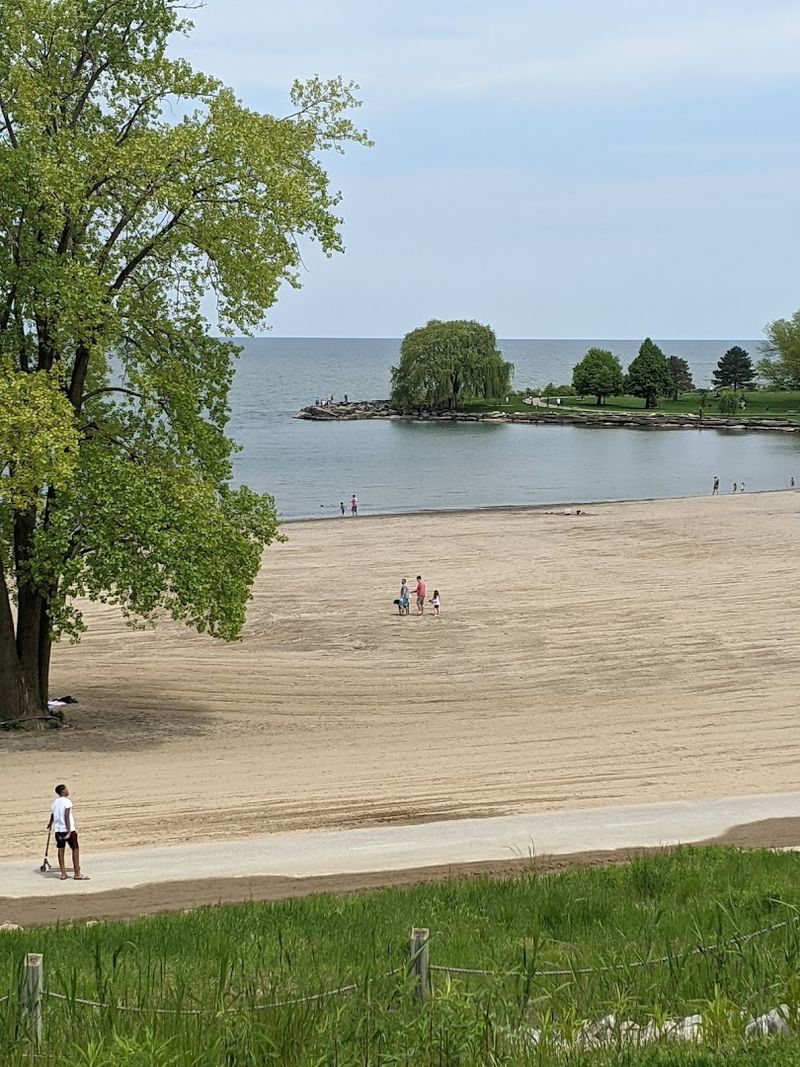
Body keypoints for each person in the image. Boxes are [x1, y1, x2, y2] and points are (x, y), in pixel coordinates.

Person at [47, 784, 88, 881]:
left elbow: (53, 814)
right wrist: (69, 831)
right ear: (63, 791)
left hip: (58, 830)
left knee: (61, 850)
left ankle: (63, 874)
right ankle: (77, 873)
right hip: (68, 829)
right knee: (75, 849)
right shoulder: (67, 801)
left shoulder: (55, 803)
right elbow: (66, 817)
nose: (68, 790)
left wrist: (50, 823)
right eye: (66, 789)